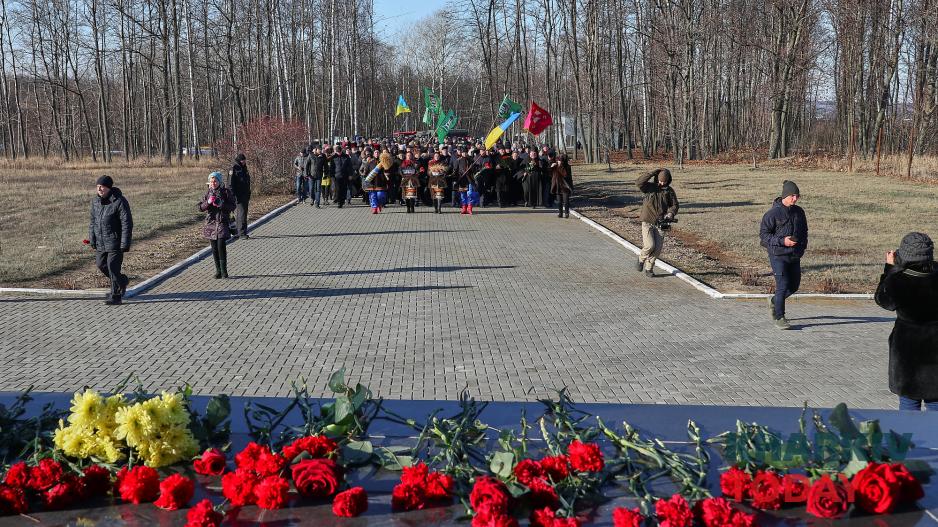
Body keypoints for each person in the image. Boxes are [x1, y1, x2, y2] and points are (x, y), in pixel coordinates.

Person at [875, 233, 938, 411]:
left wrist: (889, 269)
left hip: (907, 352)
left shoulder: (898, 280)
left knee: (909, 404)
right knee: (935, 404)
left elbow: (883, 300)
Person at [759, 180, 807, 330]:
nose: (795, 199)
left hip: (794, 256)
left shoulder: (799, 212)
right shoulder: (772, 214)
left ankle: (774, 301)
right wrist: (782, 241)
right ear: (785, 195)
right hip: (778, 255)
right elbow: (764, 236)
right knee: (783, 285)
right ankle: (779, 317)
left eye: (797, 196)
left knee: (794, 286)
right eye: (793, 196)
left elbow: (804, 232)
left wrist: (802, 248)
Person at [88, 175, 132, 305]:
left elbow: (127, 223)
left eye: (102, 186)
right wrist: (92, 238)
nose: (100, 189)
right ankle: (122, 281)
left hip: (115, 242)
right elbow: (93, 222)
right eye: (98, 187)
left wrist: (125, 243)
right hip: (101, 242)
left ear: (108, 187)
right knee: (101, 265)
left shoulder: (119, 201)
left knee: (112, 267)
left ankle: (116, 296)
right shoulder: (95, 202)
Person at [636, 168, 679, 278]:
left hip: (661, 223)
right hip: (647, 221)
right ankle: (641, 259)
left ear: (668, 180)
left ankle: (649, 268)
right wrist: (651, 173)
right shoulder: (649, 187)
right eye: (660, 180)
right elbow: (639, 182)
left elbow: (674, 205)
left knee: (657, 249)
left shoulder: (669, 191)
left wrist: (670, 214)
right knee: (650, 245)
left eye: (664, 181)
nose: (662, 183)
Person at [199, 172, 236, 279]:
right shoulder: (208, 193)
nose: (213, 183)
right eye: (211, 181)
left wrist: (221, 204)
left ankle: (224, 271)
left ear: (219, 182)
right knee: (214, 248)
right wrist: (208, 202)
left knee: (221, 246)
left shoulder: (226, 192)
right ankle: (218, 271)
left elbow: (232, 206)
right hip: (211, 224)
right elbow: (200, 208)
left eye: (215, 181)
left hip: (222, 223)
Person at [228, 153, 251, 238]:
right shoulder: (234, 168)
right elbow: (230, 184)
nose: (244, 162)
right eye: (243, 160)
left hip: (245, 194)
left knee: (243, 213)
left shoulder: (244, 168)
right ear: (240, 160)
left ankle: (241, 231)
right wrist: (232, 195)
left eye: (245, 160)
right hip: (238, 195)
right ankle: (241, 233)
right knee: (241, 214)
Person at [549, 153, 571, 218]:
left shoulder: (567, 167)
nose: (558, 162)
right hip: (557, 186)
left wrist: (561, 166)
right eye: (558, 160)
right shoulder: (555, 166)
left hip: (565, 186)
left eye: (560, 160)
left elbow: (565, 175)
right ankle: (560, 212)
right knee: (559, 201)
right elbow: (550, 174)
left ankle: (566, 213)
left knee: (566, 201)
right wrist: (551, 167)